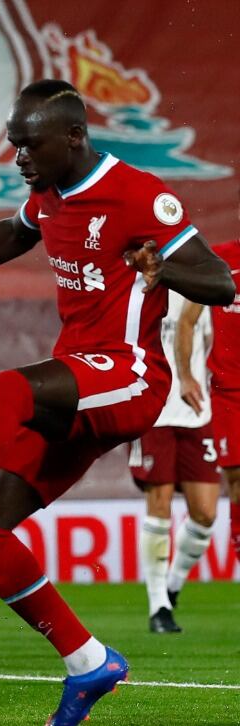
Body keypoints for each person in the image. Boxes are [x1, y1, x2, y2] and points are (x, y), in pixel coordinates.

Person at [0, 79, 235, 726]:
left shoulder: (143, 195)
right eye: (13, 145)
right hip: (82, 379)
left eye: (30, 144)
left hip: (130, 376)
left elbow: (220, 281)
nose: (19, 158)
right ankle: (89, 661)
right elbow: (8, 235)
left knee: (10, 388)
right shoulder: (49, 195)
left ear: (74, 137)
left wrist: (160, 267)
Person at [127, 290, 217, 634]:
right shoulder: (142, 289)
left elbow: (207, 339)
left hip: (196, 409)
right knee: (159, 504)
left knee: (205, 513)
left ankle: (172, 587)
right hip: (154, 409)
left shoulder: (198, 288)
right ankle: (157, 605)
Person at [174, 194, 240, 613]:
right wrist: (185, 374)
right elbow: (187, 320)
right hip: (231, 392)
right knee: (236, 483)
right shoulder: (221, 261)